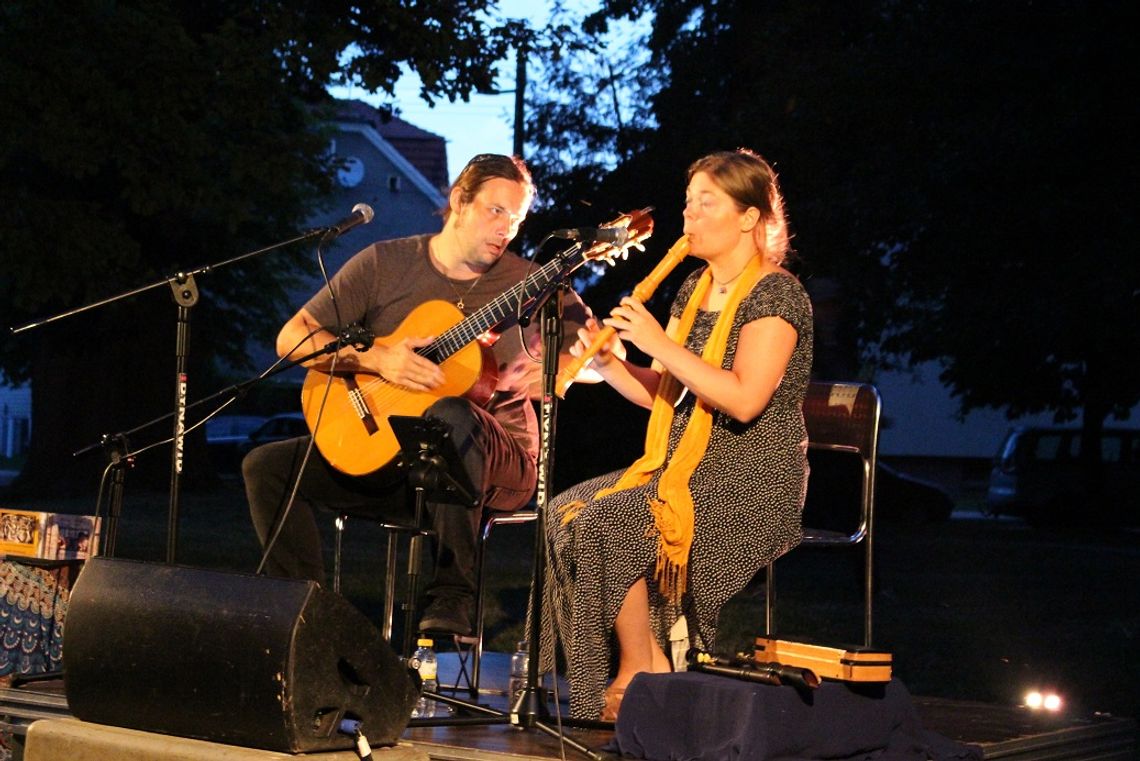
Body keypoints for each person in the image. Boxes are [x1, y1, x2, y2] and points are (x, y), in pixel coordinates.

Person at [244, 153, 590, 637]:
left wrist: (566, 369)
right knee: (267, 467)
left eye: (517, 219)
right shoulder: (386, 263)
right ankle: (303, 619)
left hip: (496, 460)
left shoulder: (529, 283)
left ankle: (452, 596)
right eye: (496, 212)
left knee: (452, 412)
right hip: (394, 459)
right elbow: (293, 339)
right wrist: (377, 358)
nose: (506, 230)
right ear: (459, 201)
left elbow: (591, 358)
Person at [539, 149, 813, 720]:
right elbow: (667, 393)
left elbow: (742, 398)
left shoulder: (777, 295)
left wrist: (658, 344)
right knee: (564, 510)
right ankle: (603, 674)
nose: (688, 217)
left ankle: (641, 669)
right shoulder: (693, 288)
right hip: (684, 464)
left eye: (705, 203)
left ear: (748, 217)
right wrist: (614, 362)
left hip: (752, 475)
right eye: (688, 203)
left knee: (603, 523)